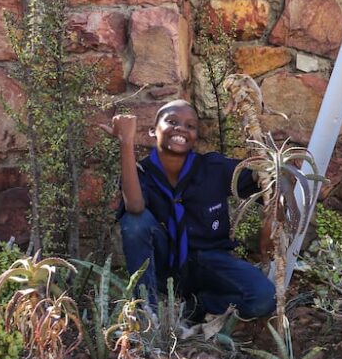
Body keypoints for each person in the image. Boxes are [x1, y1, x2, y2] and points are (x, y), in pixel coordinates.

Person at [108, 100, 275, 322]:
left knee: (264, 297)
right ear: (152, 131)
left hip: (210, 263)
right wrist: (126, 142)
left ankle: (196, 307)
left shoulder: (213, 168)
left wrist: (272, 174)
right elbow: (135, 207)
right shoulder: (142, 173)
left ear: (195, 137)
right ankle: (147, 314)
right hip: (163, 267)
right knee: (134, 221)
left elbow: (265, 186)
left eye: (190, 126)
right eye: (172, 121)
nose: (181, 129)